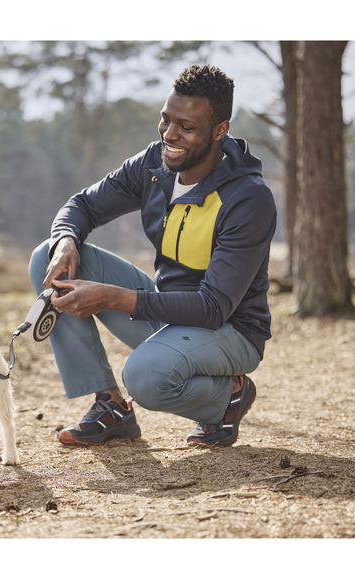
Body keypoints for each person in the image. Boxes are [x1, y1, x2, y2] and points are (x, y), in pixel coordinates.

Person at [28, 64, 277, 447]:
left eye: (186, 127)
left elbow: (213, 307)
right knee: (46, 257)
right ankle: (110, 407)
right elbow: (82, 206)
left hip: (230, 330)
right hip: (165, 312)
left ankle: (229, 397)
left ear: (219, 131)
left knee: (145, 377)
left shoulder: (248, 199)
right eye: (166, 120)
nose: (170, 135)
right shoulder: (153, 166)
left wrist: (112, 297)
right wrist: (65, 240)